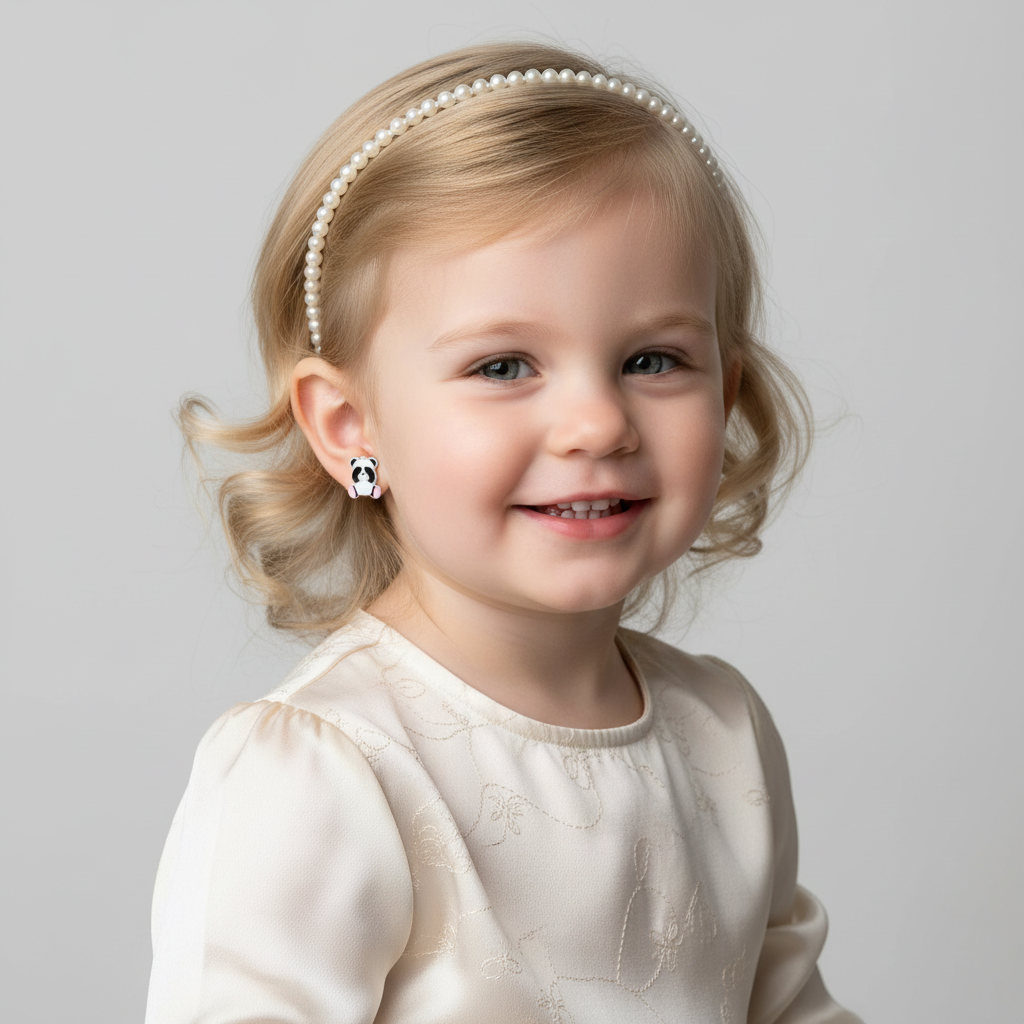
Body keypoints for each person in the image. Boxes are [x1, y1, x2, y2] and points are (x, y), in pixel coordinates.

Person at [146, 41, 863, 1024]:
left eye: (653, 359)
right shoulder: (324, 769)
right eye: (502, 367)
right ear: (351, 426)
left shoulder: (721, 733)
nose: (597, 424)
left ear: (726, 391)